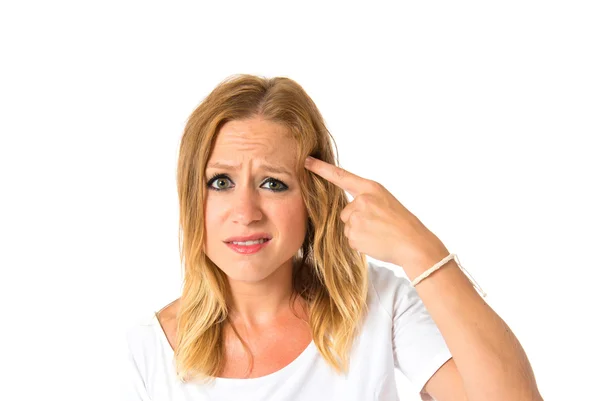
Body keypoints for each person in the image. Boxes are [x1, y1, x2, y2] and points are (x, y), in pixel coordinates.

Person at [124, 74, 543, 401]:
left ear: (312, 199)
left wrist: (421, 249)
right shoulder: (146, 350)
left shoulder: (377, 304)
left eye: (272, 183)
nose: (245, 213)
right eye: (220, 182)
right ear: (190, 198)